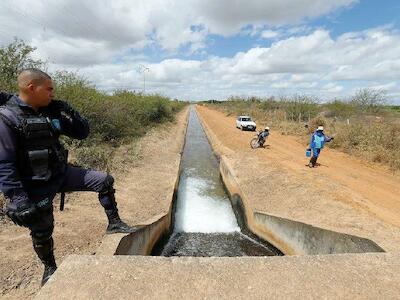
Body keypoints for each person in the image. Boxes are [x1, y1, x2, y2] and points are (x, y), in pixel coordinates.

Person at [0, 69, 136, 286]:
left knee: (104, 181)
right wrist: (18, 199)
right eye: (49, 89)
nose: (53, 93)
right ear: (31, 88)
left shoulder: (50, 112)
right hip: (35, 185)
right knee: (42, 229)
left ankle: (115, 223)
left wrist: (69, 111)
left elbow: (82, 133)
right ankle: (49, 267)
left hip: (60, 173)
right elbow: (4, 163)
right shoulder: (7, 117)